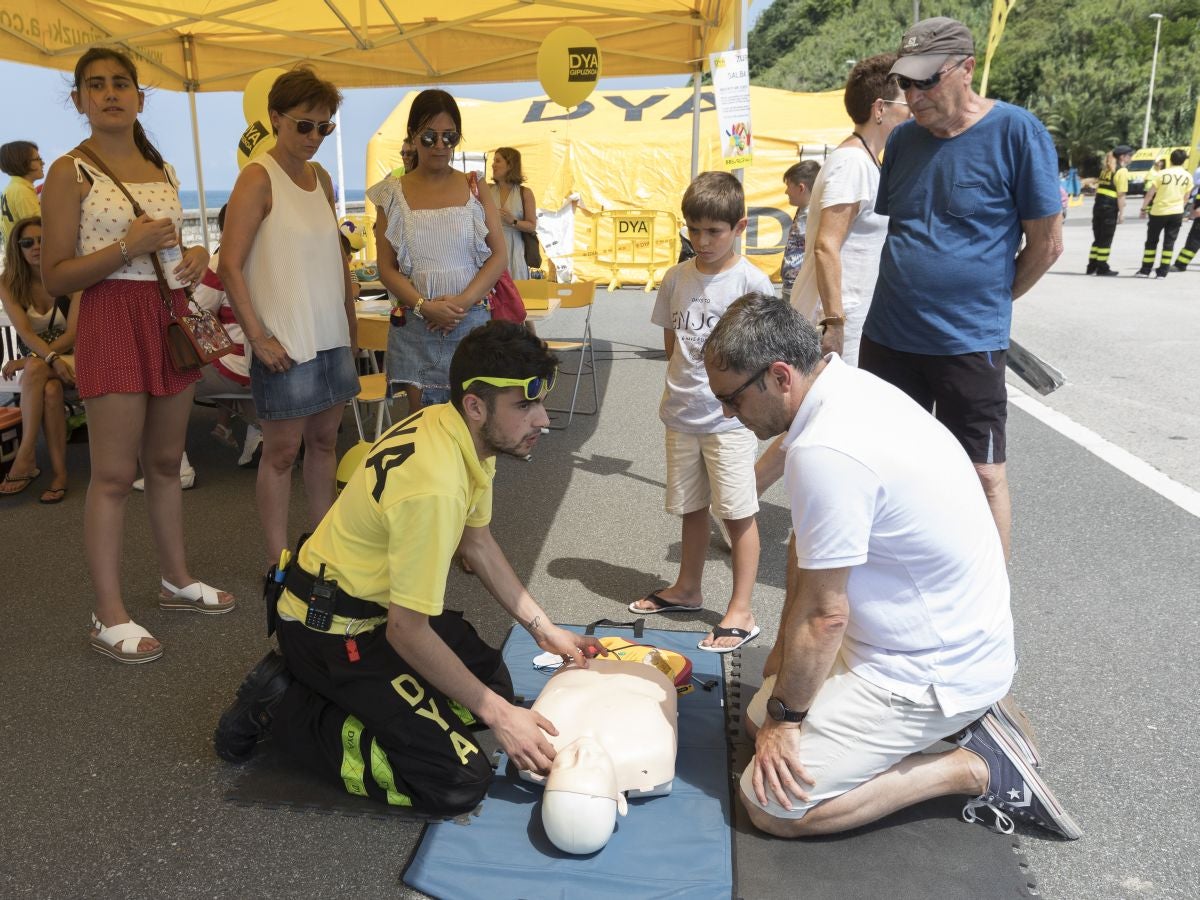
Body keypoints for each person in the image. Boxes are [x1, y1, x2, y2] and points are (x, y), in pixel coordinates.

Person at [703, 292, 1081, 841]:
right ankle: (958, 727)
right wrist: (781, 675)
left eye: (732, 399)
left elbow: (825, 615)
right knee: (758, 718)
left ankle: (976, 769)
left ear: (780, 376)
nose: (726, 414)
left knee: (770, 803)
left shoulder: (826, 451)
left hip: (930, 670)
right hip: (932, 636)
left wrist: (790, 720)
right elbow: (805, 559)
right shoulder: (846, 389)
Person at [213, 321, 605, 815]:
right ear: (476, 405)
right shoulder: (436, 486)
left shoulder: (456, 429)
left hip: (359, 608)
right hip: (335, 633)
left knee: (491, 685)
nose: (543, 420)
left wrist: (545, 631)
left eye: (539, 403)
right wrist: (502, 718)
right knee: (458, 780)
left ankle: (355, 697)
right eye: (524, 406)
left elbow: (478, 544)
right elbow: (407, 631)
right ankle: (283, 706)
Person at [40, 47, 235, 665]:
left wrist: (198, 255)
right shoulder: (69, 172)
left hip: (166, 313)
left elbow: (169, 246)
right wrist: (127, 244)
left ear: (139, 97)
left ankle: (175, 578)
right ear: (78, 101)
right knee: (113, 475)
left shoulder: (162, 166)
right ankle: (107, 611)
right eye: (95, 86)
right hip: (109, 318)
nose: (109, 93)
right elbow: (54, 277)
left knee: (165, 460)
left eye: (120, 83)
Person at [859, 17, 1063, 561]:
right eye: (906, 83)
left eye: (928, 81)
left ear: (967, 69)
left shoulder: (1018, 132)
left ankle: (988, 598)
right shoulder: (902, 141)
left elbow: (1046, 245)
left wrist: (988, 303)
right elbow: (904, 231)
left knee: (980, 472)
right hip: (889, 336)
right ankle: (899, 570)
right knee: (886, 462)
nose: (915, 95)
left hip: (967, 342)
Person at [218, 66, 358, 565]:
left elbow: (337, 258)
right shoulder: (257, 177)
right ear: (276, 118)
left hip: (331, 334)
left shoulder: (320, 178)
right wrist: (257, 337)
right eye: (305, 125)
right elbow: (229, 264)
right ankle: (279, 560)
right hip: (286, 338)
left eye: (326, 127)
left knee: (324, 445)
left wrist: (350, 325)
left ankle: (324, 549)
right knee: (281, 454)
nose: (315, 137)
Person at [630, 171, 770, 653]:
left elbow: (764, 354)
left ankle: (742, 611)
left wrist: (740, 405)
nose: (703, 240)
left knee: (738, 513)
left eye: (715, 231)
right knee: (691, 507)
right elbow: (673, 344)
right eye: (694, 229)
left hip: (731, 420)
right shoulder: (675, 277)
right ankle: (688, 588)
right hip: (682, 412)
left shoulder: (752, 280)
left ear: (739, 227)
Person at [367, 89, 507, 411]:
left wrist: (460, 303)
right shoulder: (391, 193)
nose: (441, 146)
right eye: (430, 137)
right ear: (413, 137)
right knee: (426, 434)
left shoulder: (475, 185)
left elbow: (498, 256)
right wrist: (423, 306)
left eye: (450, 136)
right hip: (417, 328)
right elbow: (386, 267)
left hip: (471, 324)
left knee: (473, 432)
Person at [790, 54, 911, 367]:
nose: (911, 110)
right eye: (904, 102)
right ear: (880, 109)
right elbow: (825, 247)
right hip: (837, 320)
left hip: (851, 315)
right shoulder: (852, 164)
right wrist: (835, 324)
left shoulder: (866, 161)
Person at [524, 657, 679, 854]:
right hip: (649, 674)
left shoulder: (536, 746)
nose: (584, 751)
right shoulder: (654, 756)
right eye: (594, 768)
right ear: (618, 800)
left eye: (566, 765)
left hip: (578, 665)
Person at [0, 217, 79, 502]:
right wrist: (48, 358)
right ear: (17, 248)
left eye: (42, 240)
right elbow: (24, 332)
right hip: (44, 364)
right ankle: (59, 475)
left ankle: (26, 457)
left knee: (33, 366)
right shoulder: (8, 283)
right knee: (50, 389)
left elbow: (73, 334)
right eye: (27, 242)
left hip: (75, 358)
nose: (36, 247)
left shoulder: (71, 277)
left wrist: (44, 357)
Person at [192, 205, 261, 468]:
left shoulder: (219, 264)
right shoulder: (275, 259)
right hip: (280, 360)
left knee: (168, 376)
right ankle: (255, 430)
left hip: (237, 365)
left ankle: (176, 465)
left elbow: (195, 316)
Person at [1136, 148, 1192, 278]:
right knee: (1169, 243)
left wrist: (1143, 209)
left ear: (1171, 159)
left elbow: (1150, 193)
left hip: (1158, 211)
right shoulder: (1187, 176)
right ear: (1184, 161)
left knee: (1151, 241)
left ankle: (1145, 270)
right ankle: (1162, 272)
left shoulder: (1161, 174)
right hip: (1176, 212)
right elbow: (1187, 196)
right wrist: (1180, 207)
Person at [489, 147, 538, 281]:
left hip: (515, 249)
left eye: (498, 161)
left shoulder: (525, 193)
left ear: (510, 165)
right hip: (491, 248)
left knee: (515, 291)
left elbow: (532, 226)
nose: (493, 164)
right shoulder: (487, 190)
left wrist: (514, 221)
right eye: (493, 161)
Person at [1086, 145, 1132, 276]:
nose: (1131, 158)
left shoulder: (1106, 170)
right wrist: (1121, 214)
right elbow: (1121, 194)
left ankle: (1091, 266)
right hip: (1110, 208)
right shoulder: (1121, 171)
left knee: (1098, 238)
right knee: (1106, 239)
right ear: (1122, 157)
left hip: (1099, 206)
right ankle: (1102, 267)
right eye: (1129, 155)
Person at [779, 160, 820, 304]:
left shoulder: (813, 215)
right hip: (792, 284)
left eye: (788, 186)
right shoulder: (803, 210)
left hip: (798, 287)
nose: (786, 191)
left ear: (801, 188)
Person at [1, 141, 44, 243]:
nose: (42, 163)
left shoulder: (11, 189)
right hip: (24, 256)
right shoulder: (22, 192)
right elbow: (39, 229)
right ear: (22, 163)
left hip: (14, 253)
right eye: (38, 159)